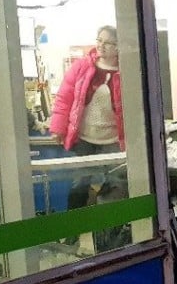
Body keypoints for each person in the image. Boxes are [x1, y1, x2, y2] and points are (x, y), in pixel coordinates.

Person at [49, 25, 126, 212]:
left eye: (108, 42)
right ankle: (72, 233)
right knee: (79, 186)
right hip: (84, 139)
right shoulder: (82, 67)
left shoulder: (127, 72)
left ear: (118, 47)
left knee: (115, 187)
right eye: (99, 40)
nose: (102, 45)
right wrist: (58, 128)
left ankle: (109, 235)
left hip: (113, 141)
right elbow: (64, 97)